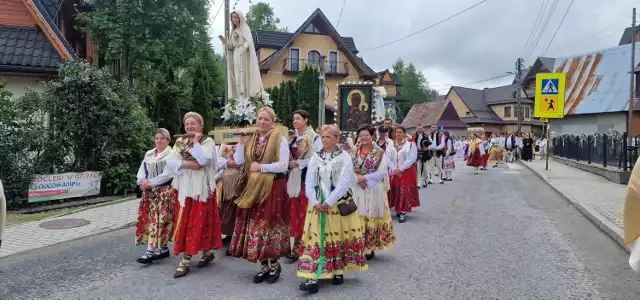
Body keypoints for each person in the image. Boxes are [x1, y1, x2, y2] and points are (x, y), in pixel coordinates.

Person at [297, 124, 368, 293]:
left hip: (335, 204)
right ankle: (312, 276)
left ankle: (338, 270)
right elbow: (309, 182)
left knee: (337, 237)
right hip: (317, 204)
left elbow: (344, 183)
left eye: (328, 137)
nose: (324, 140)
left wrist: (328, 202)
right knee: (316, 239)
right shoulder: (316, 157)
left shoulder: (344, 157)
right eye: (322, 137)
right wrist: (314, 202)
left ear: (337, 139)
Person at [229, 107, 291, 284]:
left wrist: (262, 168)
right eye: (259, 118)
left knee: (269, 223)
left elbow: (283, 165)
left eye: (266, 119)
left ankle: (275, 265)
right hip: (253, 187)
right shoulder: (251, 138)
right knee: (255, 224)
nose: (262, 122)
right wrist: (240, 142)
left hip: (273, 187)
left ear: (273, 122)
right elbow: (240, 161)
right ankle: (264, 265)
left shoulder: (280, 139)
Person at [167, 112, 224, 278]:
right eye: (187, 124)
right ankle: (206, 252)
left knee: (198, 221)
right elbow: (170, 161)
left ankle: (186, 259)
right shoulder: (180, 142)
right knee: (190, 221)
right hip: (185, 188)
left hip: (202, 190)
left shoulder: (207, 142)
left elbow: (204, 160)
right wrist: (189, 164)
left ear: (201, 125)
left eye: (193, 123)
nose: (190, 126)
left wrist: (197, 142)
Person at [349, 125, 396, 259]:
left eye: (366, 136)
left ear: (372, 136)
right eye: (361, 136)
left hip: (373, 188)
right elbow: (348, 170)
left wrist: (366, 178)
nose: (363, 138)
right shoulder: (353, 152)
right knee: (358, 215)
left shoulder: (379, 152)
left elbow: (382, 172)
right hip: (357, 188)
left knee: (370, 214)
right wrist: (358, 179)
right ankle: (357, 245)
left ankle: (369, 247)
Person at [135, 128, 177, 264]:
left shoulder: (171, 155)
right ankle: (163, 249)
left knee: (158, 221)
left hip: (164, 192)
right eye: (157, 138)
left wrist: (150, 183)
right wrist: (142, 181)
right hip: (149, 193)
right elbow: (141, 171)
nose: (159, 141)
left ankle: (149, 252)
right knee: (151, 220)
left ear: (168, 140)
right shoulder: (149, 154)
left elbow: (167, 174)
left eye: (162, 138)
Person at [286, 110, 321, 260]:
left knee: (304, 211)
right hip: (293, 178)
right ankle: (293, 244)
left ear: (306, 120)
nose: (295, 121)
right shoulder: (292, 138)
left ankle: (304, 245)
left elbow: (317, 158)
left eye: (298, 119)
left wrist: (298, 163)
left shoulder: (314, 138)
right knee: (293, 211)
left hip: (306, 178)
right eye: (294, 119)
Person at [219, 10, 264, 100]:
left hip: (243, 55)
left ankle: (245, 96)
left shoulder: (245, 28)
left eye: (236, 17)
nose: (234, 19)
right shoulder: (233, 31)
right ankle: (238, 97)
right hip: (236, 54)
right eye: (232, 17)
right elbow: (231, 46)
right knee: (237, 76)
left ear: (240, 18)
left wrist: (243, 47)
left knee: (243, 75)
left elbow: (249, 41)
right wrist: (224, 41)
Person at [216, 143, 243, 255]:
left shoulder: (242, 162)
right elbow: (220, 172)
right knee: (227, 217)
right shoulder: (226, 163)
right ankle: (230, 235)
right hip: (227, 193)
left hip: (238, 193)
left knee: (236, 217)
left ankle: (236, 242)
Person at [388, 126, 419, 223]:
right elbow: (387, 157)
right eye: (397, 132)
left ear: (404, 134)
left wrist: (401, 168)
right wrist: (393, 168)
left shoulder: (410, 144)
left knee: (404, 190)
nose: (398, 134)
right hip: (394, 171)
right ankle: (397, 208)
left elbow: (412, 158)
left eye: (400, 132)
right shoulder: (391, 144)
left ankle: (403, 211)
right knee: (395, 189)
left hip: (406, 171)